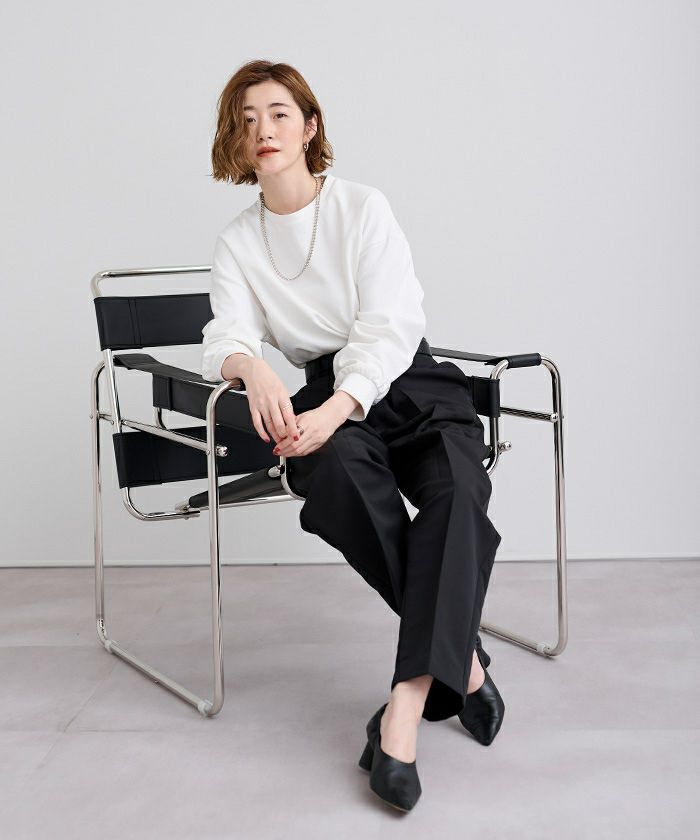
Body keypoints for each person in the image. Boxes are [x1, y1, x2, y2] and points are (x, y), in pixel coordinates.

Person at [202, 59, 504, 813]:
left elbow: (390, 324)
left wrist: (341, 405)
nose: (263, 130)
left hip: (408, 379)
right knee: (335, 478)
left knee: (458, 493)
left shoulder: (363, 207)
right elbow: (225, 333)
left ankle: (405, 704)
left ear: (309, 126)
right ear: (234, 139)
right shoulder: (239, 242)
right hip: (317, 388)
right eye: (246, 119)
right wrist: (252, 369)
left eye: (278, 113)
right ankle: (462, 663)